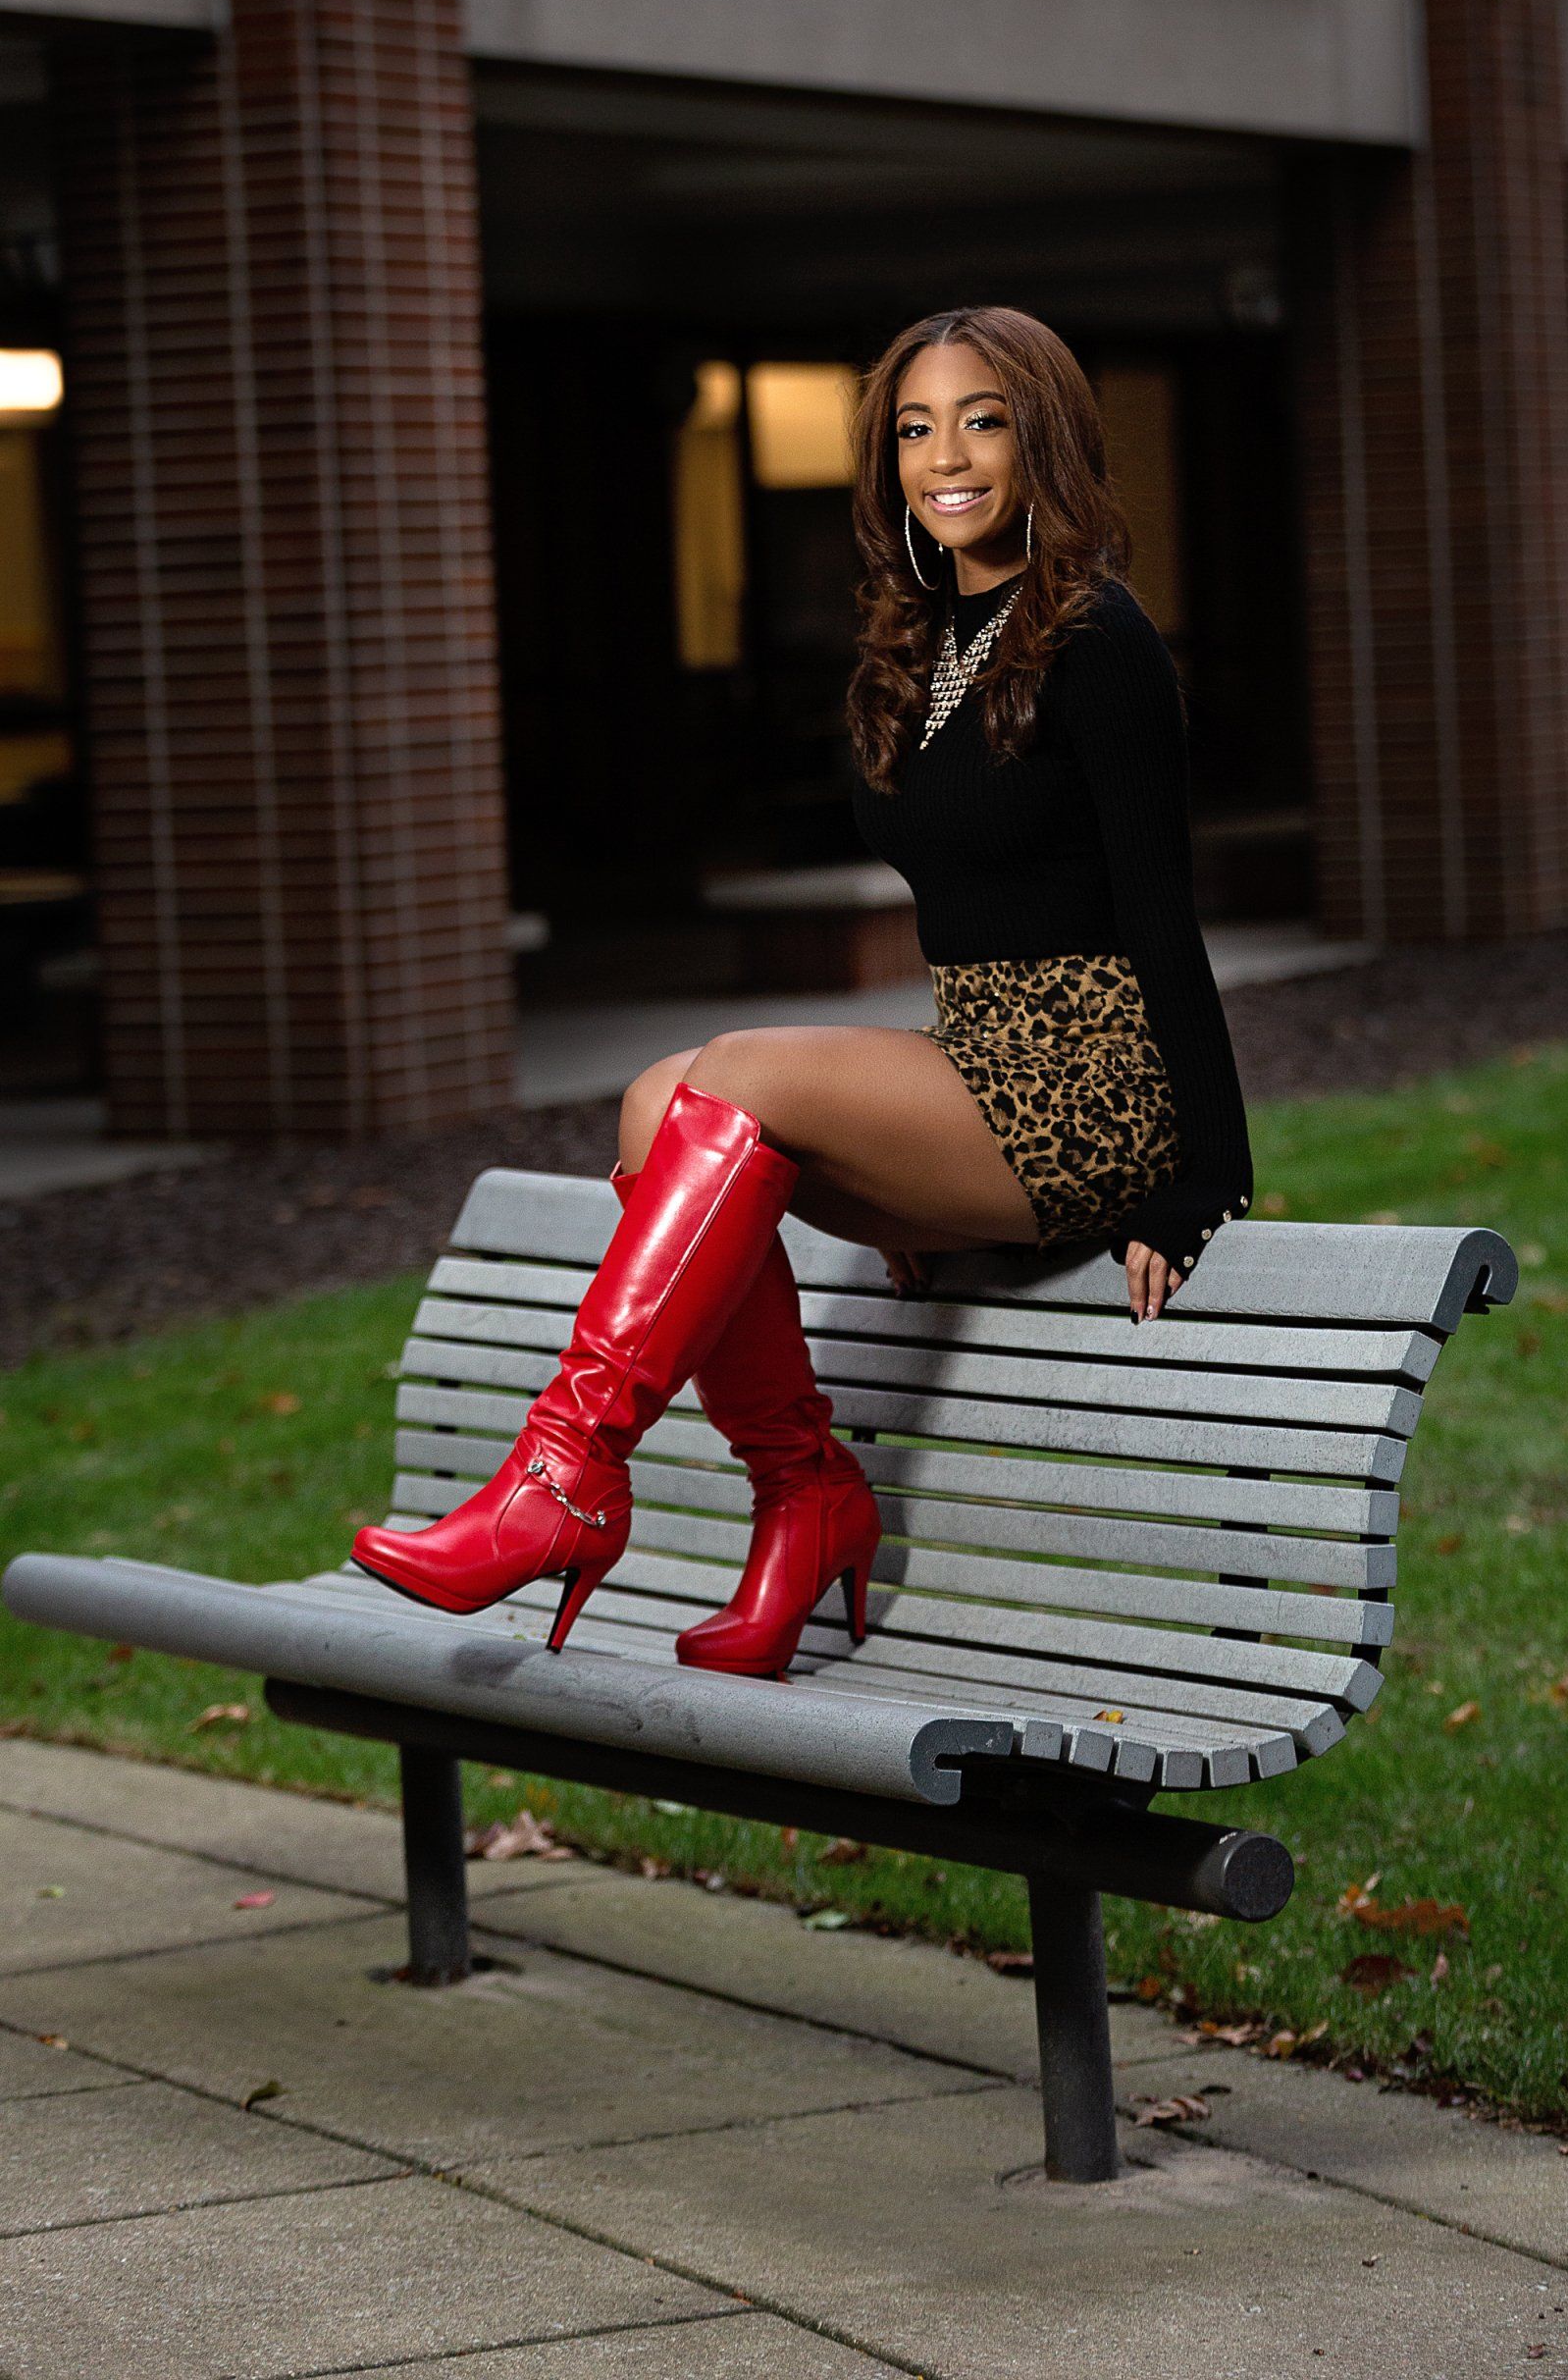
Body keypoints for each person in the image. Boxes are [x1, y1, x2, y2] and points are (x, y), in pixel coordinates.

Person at [351, 306, 1252, 1675]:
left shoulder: (1097, 636)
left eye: (982, 420)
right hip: (978, 1073)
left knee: (729, 1075)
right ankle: (804, 1496)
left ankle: (564, 1477)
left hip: (1086, 1090)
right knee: (661, 1107)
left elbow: (1162, 917)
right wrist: (902, 1163)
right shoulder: (926, 643)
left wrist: (1205, 1179)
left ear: (1045, 439)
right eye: (914, 428)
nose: (945, 457)